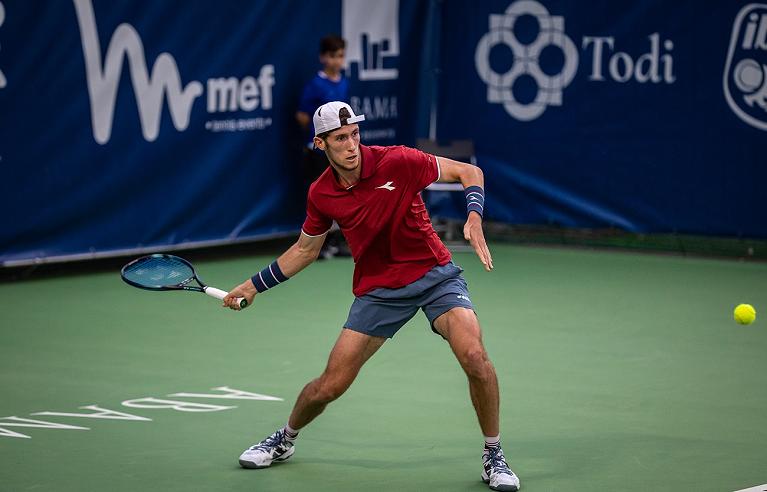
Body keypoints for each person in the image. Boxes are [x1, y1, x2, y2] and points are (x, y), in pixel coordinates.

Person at [223, 101, 520, 492]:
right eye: (341, 138)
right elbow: (305, 250)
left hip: (434, 275)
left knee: (475, 356)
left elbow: (469, 171)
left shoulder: (397, 161)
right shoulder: (321, 193)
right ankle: (285, 438)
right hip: (379, 290)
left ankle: (493, 454)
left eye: (355, 135)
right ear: (321, 144)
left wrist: (474, 215)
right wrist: (253, 285)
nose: (351, 145)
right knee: (330, 384)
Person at [296, 34, 350, 258]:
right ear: (322, 58)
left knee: (342, 195)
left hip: (339, 152)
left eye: (340, 56)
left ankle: (338, 242)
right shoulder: (315, 85)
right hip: (318, 151)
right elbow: (302, 116)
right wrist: (320, 136)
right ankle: (320, 245)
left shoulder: (345, 82)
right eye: (332, 56)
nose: (337, 61)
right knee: (321, 198)